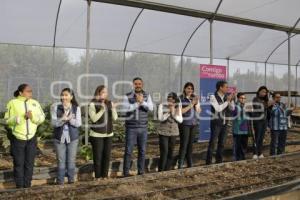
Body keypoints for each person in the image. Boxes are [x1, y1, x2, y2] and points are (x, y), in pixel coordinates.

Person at [4, 84, 45, 188]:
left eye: (31, 91)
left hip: (31, 138)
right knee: (18, 163)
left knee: (29, 163)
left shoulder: (35, 103)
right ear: (20, 92)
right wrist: (17, 119)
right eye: (28, 91)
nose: (30, 93)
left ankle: (27, 185)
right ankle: (19, 186)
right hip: (18, 138)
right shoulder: (12, 103)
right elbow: (7, 120)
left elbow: (42, 118)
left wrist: (32, 117)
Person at [123, 77, 154, 177]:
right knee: (128, 151)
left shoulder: (147, 95)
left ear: (142, 84)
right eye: (136, 84)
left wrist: (142, 102)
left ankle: (141, 171)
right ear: (133, 85)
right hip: (131, 128)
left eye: (139, 84)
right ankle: (126, 172)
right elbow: (125, 109)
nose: (138, 85)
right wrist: (137, 103)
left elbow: (151, 108)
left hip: (143, 128)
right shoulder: (127, 96)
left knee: (142, 150)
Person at [51, 88, 82, 185]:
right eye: (62, 95)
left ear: (71, 97)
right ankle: (60, 181)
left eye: (66, 95)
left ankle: (71, 180)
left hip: (72, 138)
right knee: (61, 160)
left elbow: (78, 124)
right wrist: (63, 119)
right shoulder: (56, 107)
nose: (64, 97)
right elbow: (53, 123)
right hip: (59, 138)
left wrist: (70, 120)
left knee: (71, 159)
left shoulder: (76, 108)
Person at [89, 85, 118, 179]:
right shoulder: (93, 104)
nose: (105, 94)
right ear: (98, 93)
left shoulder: (110, 103)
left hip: (109, 134)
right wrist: (102, 110)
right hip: (96, 135)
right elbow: (93, 119)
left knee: (107, 157)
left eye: (106, 92)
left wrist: (113, 108)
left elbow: (115, 118)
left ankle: (105, 176)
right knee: (98, 158)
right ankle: (97, 177)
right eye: (103, 92)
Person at [206, 80, 234, 165]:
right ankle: (209, 162)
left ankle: (219, 161)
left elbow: (232, 108)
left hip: (225, 123)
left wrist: (231, 100)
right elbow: (218, 108)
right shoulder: (212, 96)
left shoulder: (227, 97)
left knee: (222, 143)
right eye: (226, 87)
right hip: (216, 123)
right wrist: (227, 101)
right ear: (220, 87)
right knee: (213, 143)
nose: (227, 89)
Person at [178, 82, 201, 169]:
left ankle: (189, 162)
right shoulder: (180, 98)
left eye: (191, 89)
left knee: (190, 144)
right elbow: (181, 111)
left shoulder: (194, 98)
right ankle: (180, 163)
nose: (190, 90)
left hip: (194, 124)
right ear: (184, 89)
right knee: (184, 144)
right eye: (188, 88)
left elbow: (199, 111)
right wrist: (191, 104)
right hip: (185, 124)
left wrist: (197, 104)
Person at [157, 92, 182, 171]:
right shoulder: (162, 106)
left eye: (172, 99)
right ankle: (161, 170)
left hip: (174, 133)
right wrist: (168, 112)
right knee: (164, 151)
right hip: (163, 132)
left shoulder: (178, 107)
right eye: (168, 99)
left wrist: (173, 112)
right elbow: (160, 118)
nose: (170, 101)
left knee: (171, 152)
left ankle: (167, 170)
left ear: (175, 100)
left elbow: (180, 120)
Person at [251, 86, 272, 159]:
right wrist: (267, 105)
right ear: (259, 91)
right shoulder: (255, 99)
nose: (264, 93)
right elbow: (258, 108)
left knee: (262, 138)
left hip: (264, 121)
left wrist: (270, 105)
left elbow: (268, 111)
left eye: (265, 92)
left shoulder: (265, 100)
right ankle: (255, 153)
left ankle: (260, 152)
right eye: (263, 91)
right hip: (257, 121)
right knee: (257, 137)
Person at [232, 92, 249, 161]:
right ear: (238, 98)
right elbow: (235, 114)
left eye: (244, 98)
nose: (243, 99)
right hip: (237, 129)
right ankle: (237, 159)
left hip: (245, 129)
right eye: (241, 98)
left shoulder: (246, 106)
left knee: (244, 144)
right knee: (237, 145)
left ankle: (243, 157)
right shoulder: (235, 106)